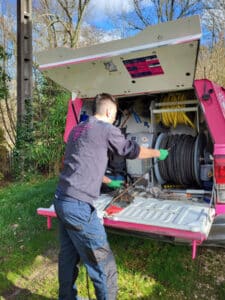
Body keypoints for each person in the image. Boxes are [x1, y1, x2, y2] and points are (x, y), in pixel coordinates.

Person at [53, 93, 168, 300]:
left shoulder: (77, 130)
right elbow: (130, 150)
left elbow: (80, 163)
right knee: (103, 264)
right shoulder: (106, 129)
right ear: (108, 111)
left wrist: (107, 181)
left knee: (68, 258)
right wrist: (157, 153)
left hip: (61, 200)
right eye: (114, 115)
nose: (115, 119)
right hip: (79, 207)